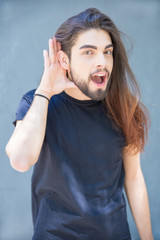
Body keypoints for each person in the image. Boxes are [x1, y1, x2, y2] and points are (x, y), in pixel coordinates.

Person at [6, 8, 153, 240]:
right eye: (88, 52)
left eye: (107, 52)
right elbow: (20, 161)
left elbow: (134, 179)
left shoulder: (124, 105)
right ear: (65, 59)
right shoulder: (37, 103)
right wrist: (44, 91)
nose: (101, 61)